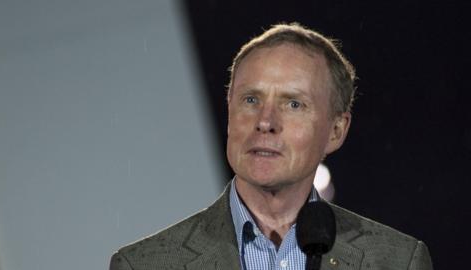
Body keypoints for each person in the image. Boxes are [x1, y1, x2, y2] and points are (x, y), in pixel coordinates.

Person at [110, 23, 433, 270]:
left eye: (293, 104)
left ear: (336, 130)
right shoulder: (144, 264)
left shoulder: (396, 260)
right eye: (251, 100)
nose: (265, 121)